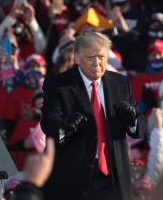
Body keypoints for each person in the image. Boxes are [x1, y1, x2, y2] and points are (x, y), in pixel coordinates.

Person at [40, 32, 147, 200]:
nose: (97, 63)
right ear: (76, 58)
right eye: (91, 57)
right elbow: (48, 122)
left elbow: (140, 127)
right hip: (74, 178)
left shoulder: (120, 82)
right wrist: (64, 128)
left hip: (114, 178)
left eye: (102, 57)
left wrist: (132, 119)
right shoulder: (57, 84)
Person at [130, 39, 163, 115]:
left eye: (160, 53)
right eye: (153, 54)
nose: (156, 57)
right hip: (148, 123)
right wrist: (144, 103)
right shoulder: (138, 80)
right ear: (148, 57)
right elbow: (132, 113)